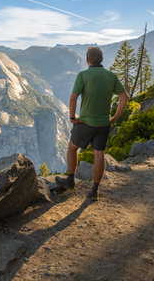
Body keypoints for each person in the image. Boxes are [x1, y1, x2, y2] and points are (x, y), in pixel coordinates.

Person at [55, 47, 128, 201]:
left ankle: (70, 179)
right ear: (101, 59)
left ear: (87, 60)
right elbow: (124, 96)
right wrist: (114, 118)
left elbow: (73, 97)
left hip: (86, 122)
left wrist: (72, 117)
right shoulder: (111, 76)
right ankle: (94, 190)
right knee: (99, 154)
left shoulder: (83, 75)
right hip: (104, 123)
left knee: (72, 147)